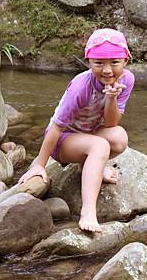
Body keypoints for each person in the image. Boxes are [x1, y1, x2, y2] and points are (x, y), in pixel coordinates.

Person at [18, 28, 135, 233]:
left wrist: (111, 98)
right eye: (99, 63)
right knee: (99, 145)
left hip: (88, 133)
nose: (107, 70)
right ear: (89, 61)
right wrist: (40, 163)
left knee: (119, 137)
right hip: (64, 140)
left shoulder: (126, 80)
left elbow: (110, 123)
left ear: (125, 60)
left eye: (114, 63)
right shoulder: (81, 86)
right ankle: (88, 211)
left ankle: (91, 166)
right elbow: (56, 126)